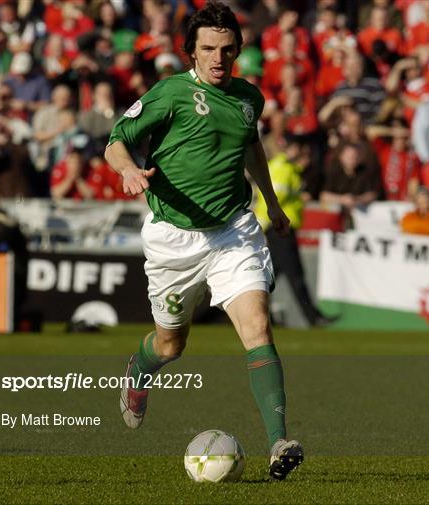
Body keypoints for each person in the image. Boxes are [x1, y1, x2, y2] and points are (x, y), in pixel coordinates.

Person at [104, 2, 303, 481]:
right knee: (171, 346)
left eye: (227, 49)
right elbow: (115, 140)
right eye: (208, 49)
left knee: (257, 326)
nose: (218, 58)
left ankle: (279, 442)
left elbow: (251, 146)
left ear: (238, 49)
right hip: (174, 239)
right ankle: (139, 371)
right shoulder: (171, 93)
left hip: (233, 229)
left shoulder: (247, 97)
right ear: (190, 51)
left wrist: (271, 203)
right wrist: (129, 170)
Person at [254, 134, 338, 327]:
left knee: (268, 277)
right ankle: (313, 317)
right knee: (295, 275)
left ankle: (266, 316)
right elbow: (276, 198)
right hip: (281, 229)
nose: (300, 153)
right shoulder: (283, 168)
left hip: (277, 228)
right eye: (297, 148)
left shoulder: (286, 167)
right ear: (289, 149)